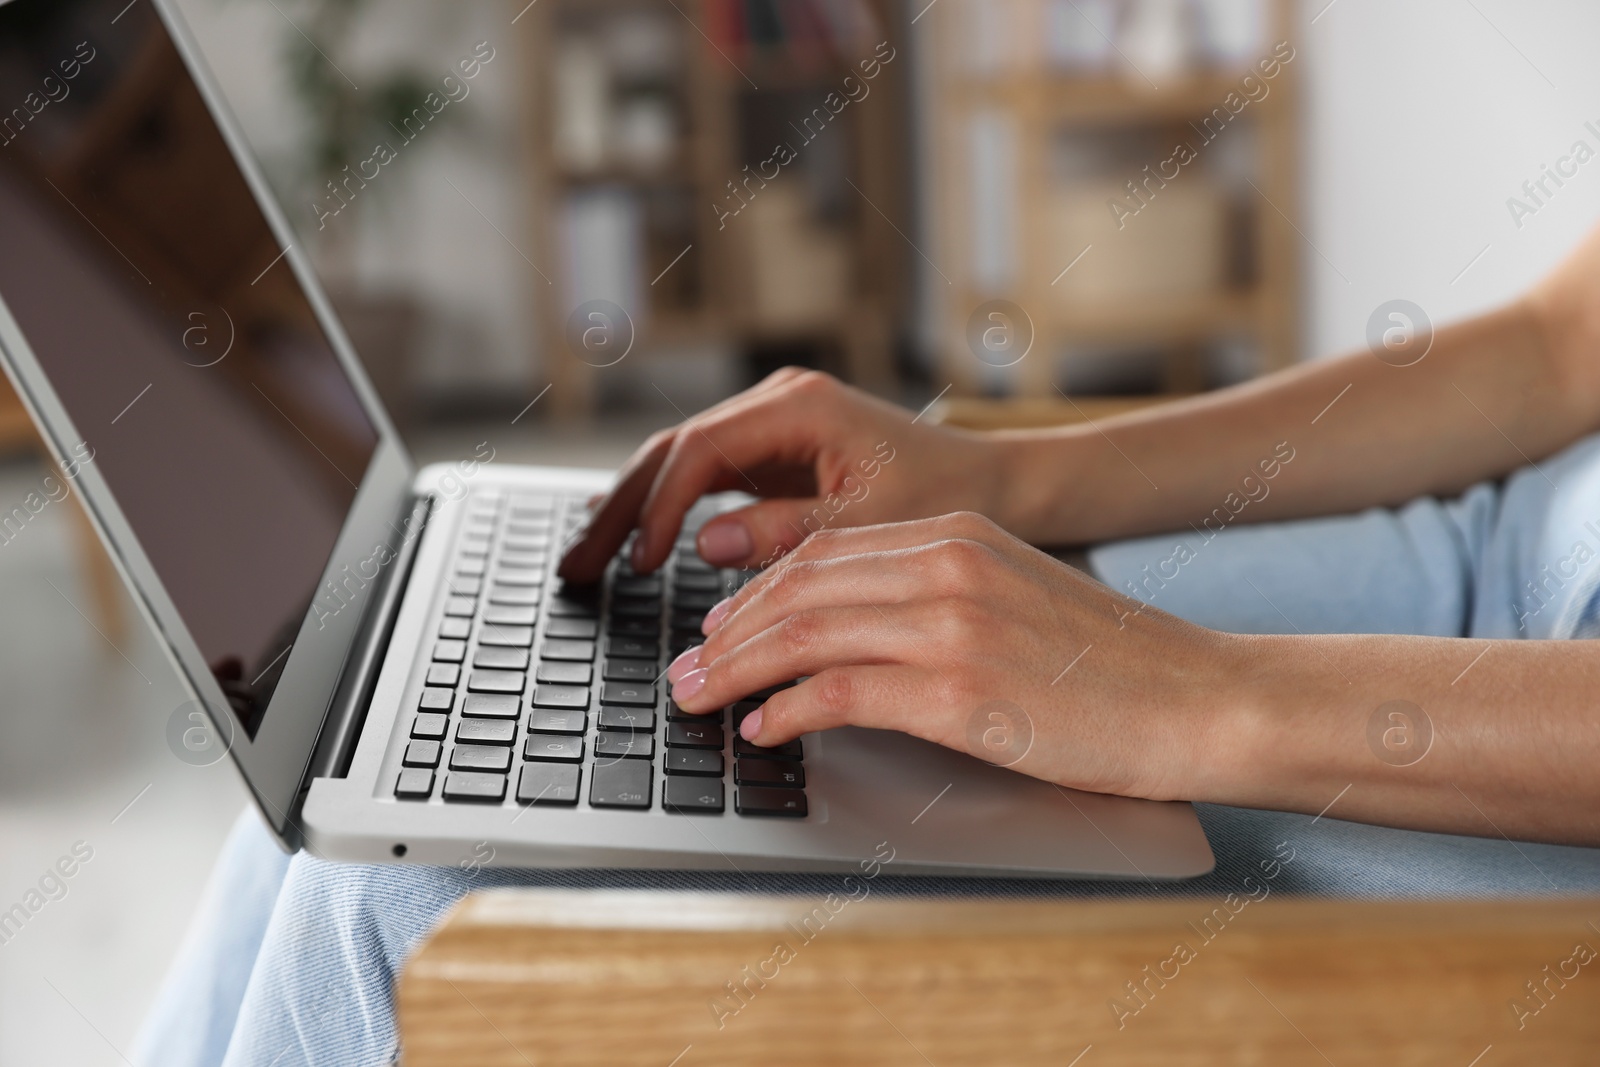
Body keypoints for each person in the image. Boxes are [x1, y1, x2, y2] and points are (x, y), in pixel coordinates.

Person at [136, 227, 1600, 1065]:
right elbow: (1559, 348)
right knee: (344, 790)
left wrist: (1196, 697)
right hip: (1498, 552)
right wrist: (1014, 485)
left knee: (410, 901)